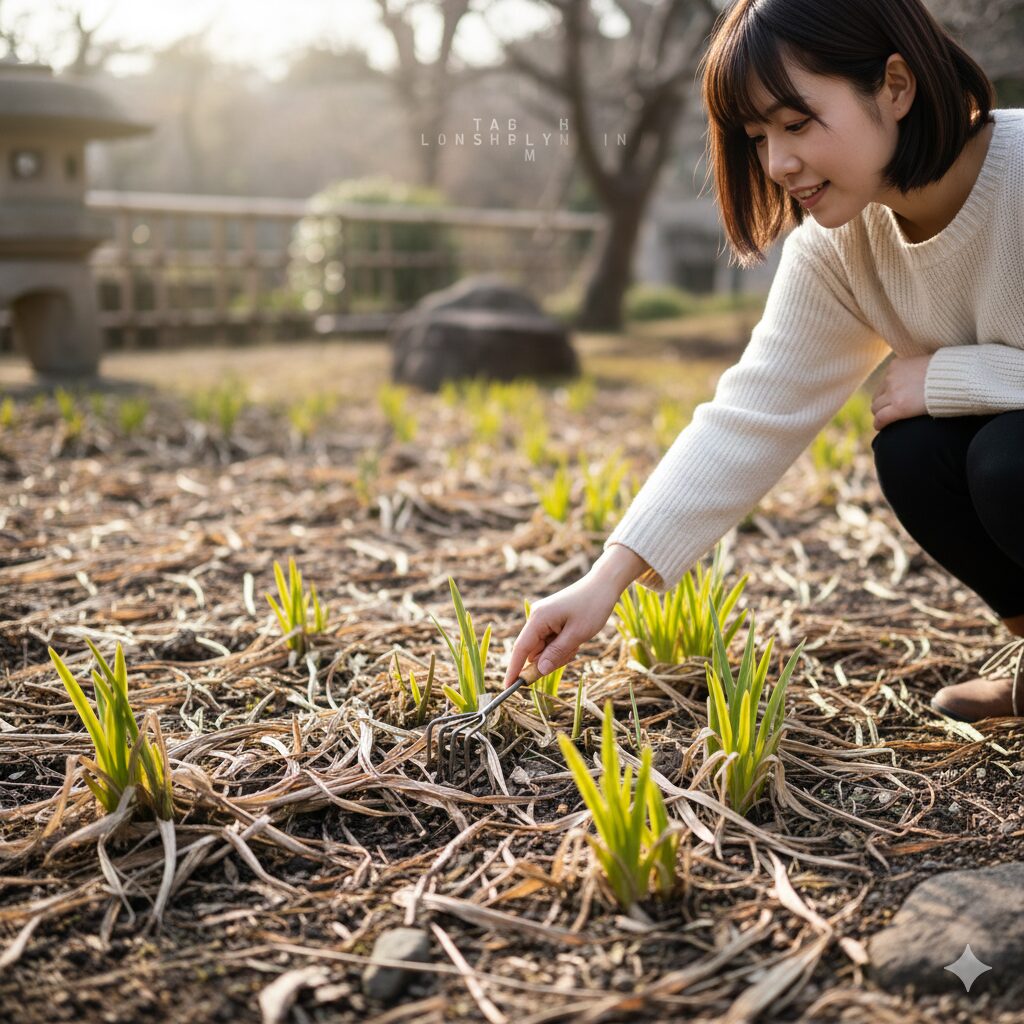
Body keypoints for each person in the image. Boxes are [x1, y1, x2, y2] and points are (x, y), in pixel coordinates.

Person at [502, 0, 1024, 722]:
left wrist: (956, 377)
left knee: (1007, 457)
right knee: (917, 453)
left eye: (796, 122)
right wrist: (604, 581)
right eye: (756, 137)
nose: (777, 163)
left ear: (895, 86)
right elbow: (752, 414)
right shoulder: (840, 245)